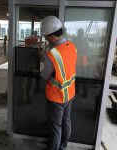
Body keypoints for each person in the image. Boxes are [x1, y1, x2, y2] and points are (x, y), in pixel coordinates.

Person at [39, 16, 77, 150]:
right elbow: (63, 65)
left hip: (56, 97)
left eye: (46, 37)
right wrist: (47, 58)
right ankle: (63, 147)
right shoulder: (72, 46)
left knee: (55, 128)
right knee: (66, 122)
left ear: (52, 36)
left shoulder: (53, 54)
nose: (46, 39)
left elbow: (44, 76)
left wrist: (44, 60)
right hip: (70, 94)